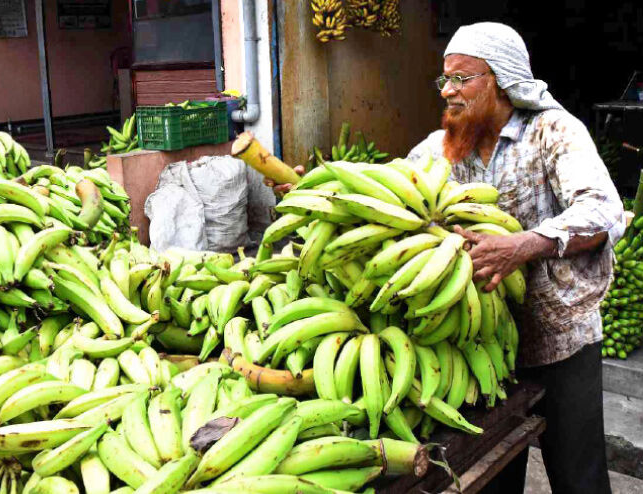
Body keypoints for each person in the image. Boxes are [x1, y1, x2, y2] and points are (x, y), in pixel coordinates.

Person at [267, 21, 622, 494]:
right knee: (493, 467)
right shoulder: (443, 146)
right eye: (445, 80)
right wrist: (319, 190)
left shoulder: (553, 132)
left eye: (462, 79)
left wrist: (525, 244)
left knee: (579, 477)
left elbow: (602, 211)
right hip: (482, 339)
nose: (449, 92)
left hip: (560, 338)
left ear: (501, 80)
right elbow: (389, 194)